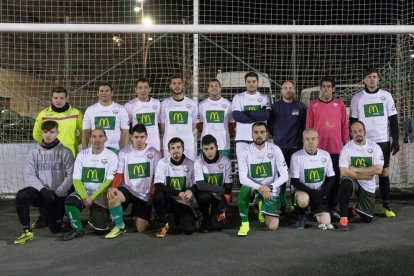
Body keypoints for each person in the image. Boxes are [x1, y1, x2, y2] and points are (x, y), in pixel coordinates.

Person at [14, 121, 74, 245]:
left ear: (57, 133)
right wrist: (43, 190)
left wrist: (58, 192)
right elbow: (29, 175)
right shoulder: (33, 153)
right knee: (21, 195)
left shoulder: (65, 152)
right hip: (42, 193)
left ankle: (50, 218)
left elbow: (71, 175)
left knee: (55, 230)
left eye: (52, 132)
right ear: (41, 133)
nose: (48, 135)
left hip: (58, 196)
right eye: (45, 132)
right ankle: (26, 230)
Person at [350, 68, 399, 217]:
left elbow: (393, 119)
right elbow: (353, 122)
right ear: (364, 80)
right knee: (361, 174)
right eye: (369, 77)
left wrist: (395, 139)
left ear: (378, 79)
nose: (372, 80)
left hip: (382, 142)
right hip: (363, 143)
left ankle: (386, 205)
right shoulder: (357, 98)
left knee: (384, 173)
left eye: (375, 77)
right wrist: (352, 141)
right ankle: (360, 205)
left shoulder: (386, 96)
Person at [105, 124, 161, 239]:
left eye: (142, 137)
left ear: (146, 137)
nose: (139, 140)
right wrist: (114, 187)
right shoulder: (124, 152)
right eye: (136, 137)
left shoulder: (154, 153)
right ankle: (120, 226)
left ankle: (144, 215)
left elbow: (157, 176)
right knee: (113, 196)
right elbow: (119, 173)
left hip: (144, 194)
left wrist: (152, 193)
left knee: (141, 229)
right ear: (131, 137)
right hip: (128, 189)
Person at [63, 129, 118, 240]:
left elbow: (108, 182)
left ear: (105, 139)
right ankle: (77, 229)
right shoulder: (82, 155)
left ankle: (96, 217)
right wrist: (84, 197)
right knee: (70, 202)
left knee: (100, 231)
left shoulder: (112, 156)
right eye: (94, 136)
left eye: (100, 136)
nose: (97, 139)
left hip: (101, 195)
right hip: (84, 193)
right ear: (90, 139)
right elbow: (77, 179)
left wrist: (92, 198)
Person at [306, 76, 348, 219]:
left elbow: (344, 125)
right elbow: (309, 127)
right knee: (318, 180)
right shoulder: (313, 105)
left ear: (333, 89)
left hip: (336, 149)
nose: (326, 89)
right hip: (319, 151)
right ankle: (316, 207)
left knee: (335, 180)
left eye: (329, 86)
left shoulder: (340, 104)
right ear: (320, 88)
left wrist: (346, 142)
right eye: (324, 86)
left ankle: (332, 207)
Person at [237, 122, 289, 236]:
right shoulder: (244, 152)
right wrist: (260, 187)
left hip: (270, 188)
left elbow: (285, 175)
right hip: (254, 187)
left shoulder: (275, 149)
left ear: (267, 134)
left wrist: (270, 187)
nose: (259, 135)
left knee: (273, 226)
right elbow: (242, 178)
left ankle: (260, 204)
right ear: (251, 134)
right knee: (244, 188)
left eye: (262, 132)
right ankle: (245, 224)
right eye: (256, 132)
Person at [268, 80, 307, 214]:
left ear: (294, 90)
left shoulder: (301, 107)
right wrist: (278, 136)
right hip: (280, 148)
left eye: (291, 88)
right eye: (285, 88)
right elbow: (270, 126)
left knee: (297, 177)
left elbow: (304, 127)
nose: (288, 90)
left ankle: (297, 204)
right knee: (281, 177)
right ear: (281, 91)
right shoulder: (275, 107)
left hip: (297, 147)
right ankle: (282, 204)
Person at [337, 121, 384, 231]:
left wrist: (356, 169)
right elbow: (344, 171)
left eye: (360, 131)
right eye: (354, 131)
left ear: (364, 132)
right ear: (351, 134)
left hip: (368, 185)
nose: (358, 133)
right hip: (353, 181)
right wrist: (366, 175)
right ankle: (343, 218)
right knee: (346, 183)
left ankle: (354, 210)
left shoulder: (375, 147)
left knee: (367, 219)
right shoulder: (346, 148)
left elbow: (379, 169)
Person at [290, 128, 335, 230]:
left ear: (318, 140)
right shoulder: (296, 156)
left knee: (327, 221)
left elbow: (331, 178)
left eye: (313, 139)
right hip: (302, 191)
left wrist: (323, 193)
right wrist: (312, 193)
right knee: (303, 199)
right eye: (307, 139)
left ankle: (312, 212)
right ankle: (302, 215)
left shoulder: (325, 155)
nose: (311, 142)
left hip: (318, 192)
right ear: (303, 141)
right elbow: (295, 182)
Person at [152, 137, 196, 237]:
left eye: (178, 147)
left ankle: (176, 219)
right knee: (158, 195)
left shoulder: (191, 164)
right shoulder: (162, 163)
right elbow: (158, 185)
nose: (176, 150)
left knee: (189, 230)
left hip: (183, 201)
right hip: (167, 200)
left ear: (183, 149)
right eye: (173, 148)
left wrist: (191, 191)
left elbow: (196, 184)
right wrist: (178, 193)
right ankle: (163, 222)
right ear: (169, 151)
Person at [194, 134, 233, 233]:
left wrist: (224, 197)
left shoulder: (226, 161)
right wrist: (220, 190)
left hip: (220, 196)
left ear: (217, 148)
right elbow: (200, 185)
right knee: (203, 197)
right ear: (202, 149)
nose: (209, 152)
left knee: (217, 226)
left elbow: (228, 186)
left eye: (211, 148)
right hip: (206, 194)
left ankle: (218, 216)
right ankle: (205, 217)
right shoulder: (198, 161)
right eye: (206, 149)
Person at [33, 86, 82, 157]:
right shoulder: (43, 114)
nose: (58, 101)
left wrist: (73, 142)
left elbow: (83, 133)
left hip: (70, 153)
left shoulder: (76, 113)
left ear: (66, 98)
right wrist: (48, 144)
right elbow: (36, 134)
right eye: (56, 98)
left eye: (61, 98)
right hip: (49, 154)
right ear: (51, 98)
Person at [232, 72, 271, 160]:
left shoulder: (265, 98)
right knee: (243, 168)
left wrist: (246, 112)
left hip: (259, 139)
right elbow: (237, 116)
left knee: (257, 167)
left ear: (258, 82)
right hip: (242, 139)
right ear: (245, 83)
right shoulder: (238, 97)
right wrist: (258, 116)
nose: (251, 84)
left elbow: (266, 115)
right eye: (249, 82)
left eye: (254, 81)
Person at [82, 83, 130, 153]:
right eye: (101, 91)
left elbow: (125, 132)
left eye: (107, 91)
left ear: (112, 93)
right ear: (97, 93)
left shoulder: (121, 109)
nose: (104, 93)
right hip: (95, 150)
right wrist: (85, 151)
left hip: (114, 149)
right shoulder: (90, 110)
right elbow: (85, 132)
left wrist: (123, 151)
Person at [197, 79, 235, 157]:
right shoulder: (201, 105)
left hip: (223, 145)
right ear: (208, 89)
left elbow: (232, 125)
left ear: (220, 88)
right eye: (211, 86)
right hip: (206, 146)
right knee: (205, 169)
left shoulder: (228, 104)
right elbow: (199, 125)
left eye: (216, 86)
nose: (214, 88)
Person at [124, 78, 161, 152]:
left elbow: (160, 124)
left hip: (155, 144)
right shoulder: (129, 105)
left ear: (150, 89)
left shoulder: (157, 103)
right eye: (140, 88)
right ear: (136, 90)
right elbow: (126, 127)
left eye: (146, 87)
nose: (143, 90)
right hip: (138, 144)